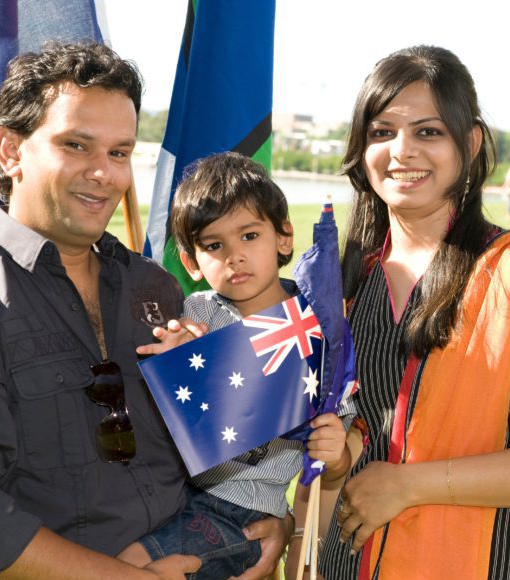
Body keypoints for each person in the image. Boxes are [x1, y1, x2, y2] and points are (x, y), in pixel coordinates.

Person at [0, 43, 289, 580]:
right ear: (9, 150)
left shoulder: (158, 289)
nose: (104, 174)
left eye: (120, 153)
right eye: (77, 145)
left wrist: (269, 524)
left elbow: (222, 455)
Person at [292, 46, 510, 579]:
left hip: (495, 561)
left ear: (470, 143)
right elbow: (330, 447)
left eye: (428, 131)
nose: (401, 151)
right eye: (381, 132)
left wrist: (408, 484)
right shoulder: (344, 286)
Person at [121, 152, 354, 579]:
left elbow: (335, 447)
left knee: (128, 567)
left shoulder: (315, 328)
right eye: (214, 245)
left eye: (249, 236)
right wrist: (175, 359)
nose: (234, 256)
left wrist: (335, 456)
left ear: (284, 237)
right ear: (192, 262)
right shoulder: (197, 314)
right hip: (175, 493)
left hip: (243, 510)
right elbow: (168, 414)